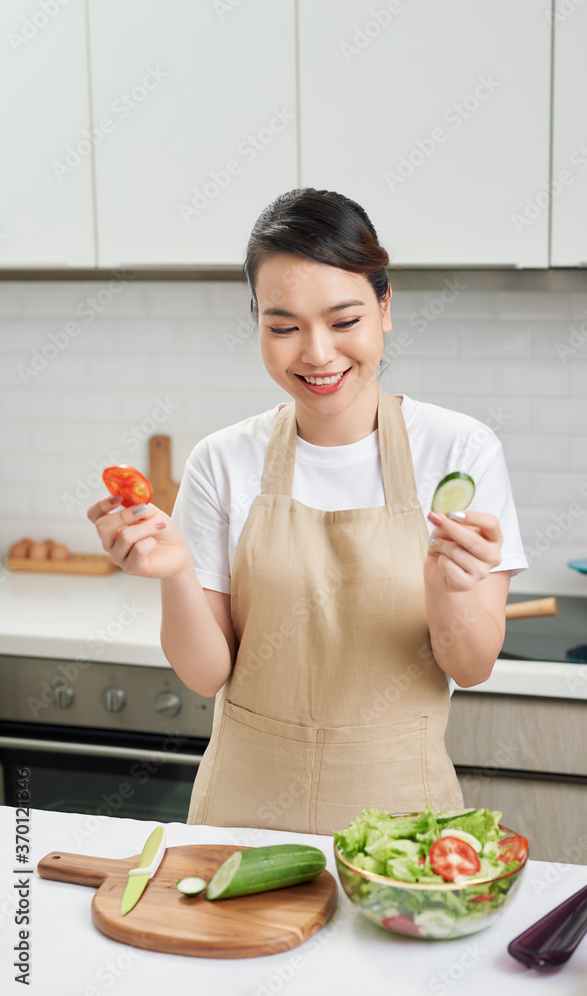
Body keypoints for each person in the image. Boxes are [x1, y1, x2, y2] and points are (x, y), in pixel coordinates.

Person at [87, 188, 528, 835]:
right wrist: (176, 573)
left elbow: (471, 665)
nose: (316, 354)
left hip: (398, 840)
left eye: (344, 321)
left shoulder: (458, 451)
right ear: (257, 323)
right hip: (241, 826)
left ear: (384, 306)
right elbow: (207, 675)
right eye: (283, 326)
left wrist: (448, 590)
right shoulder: (221, 460)